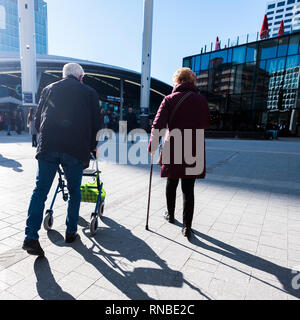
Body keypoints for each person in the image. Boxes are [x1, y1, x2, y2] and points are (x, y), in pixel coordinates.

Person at [22, 63, 102, 257]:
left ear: (64, 75)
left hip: (48, 145)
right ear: (80, 77)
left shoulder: (49, 89)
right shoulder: (89, 92)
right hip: (75, 148)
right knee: (74, 190)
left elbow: (39, 117)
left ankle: (30, 236)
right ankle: (70, 231)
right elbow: (97, 123)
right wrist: (93, 146)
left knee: (40, 190)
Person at [148, 67, 210, 240]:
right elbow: (205, 123)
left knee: (172, 181)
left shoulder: (168, 99)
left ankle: (170, 214)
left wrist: (153, 145)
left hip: (173, 145)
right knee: (188, 188)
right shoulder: (201, 100)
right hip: (194, 145)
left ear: (177, 81)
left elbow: (158, 125)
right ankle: (187, 227)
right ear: (192, 81)